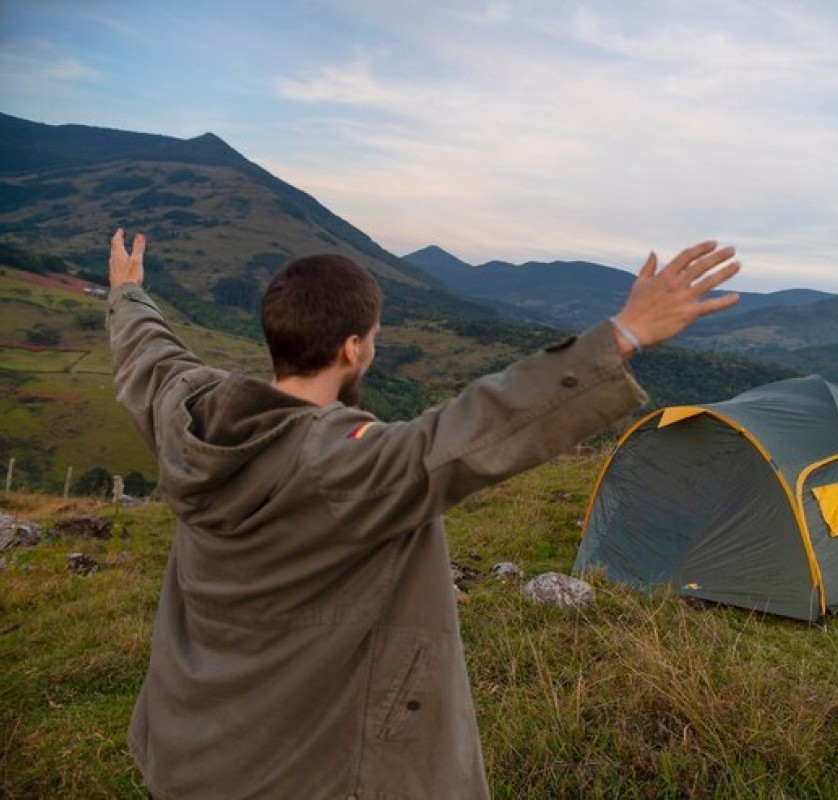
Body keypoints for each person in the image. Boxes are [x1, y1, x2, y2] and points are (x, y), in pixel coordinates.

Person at [107, 228, 740, 799]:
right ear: (353, 349)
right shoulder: (342, 464)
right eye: (374, 340)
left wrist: (130, 294)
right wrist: (625, 334)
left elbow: (151, 358)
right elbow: (473, 427)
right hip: (301, 775)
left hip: (190, 753)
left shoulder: (187, 418)